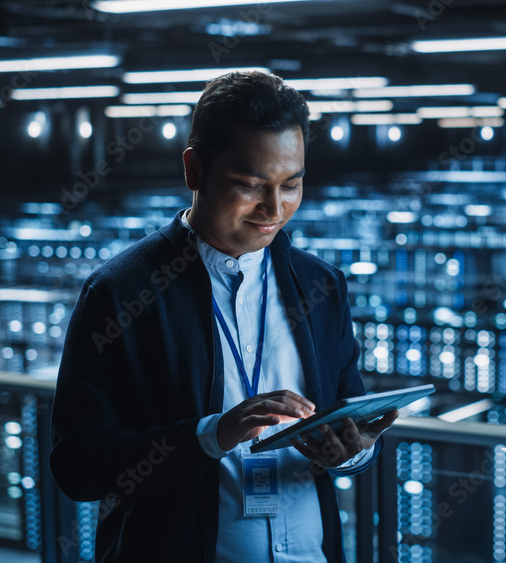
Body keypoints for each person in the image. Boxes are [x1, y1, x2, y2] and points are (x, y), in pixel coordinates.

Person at [49, 70, 397, 562]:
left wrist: (354, 450)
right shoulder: (120, 293)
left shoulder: (323, 287)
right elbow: (78, 466)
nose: (274, 209)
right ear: (194, 170)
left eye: (292, 185)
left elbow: (349, 416)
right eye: (250, 185)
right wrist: (212, 434)